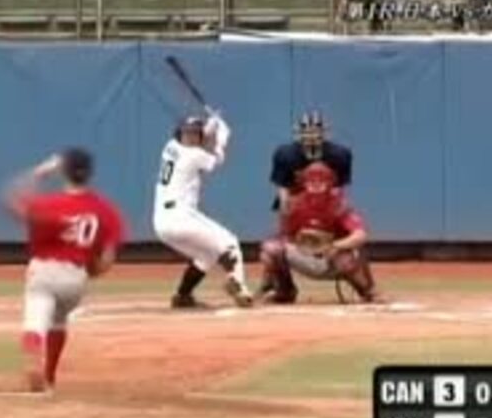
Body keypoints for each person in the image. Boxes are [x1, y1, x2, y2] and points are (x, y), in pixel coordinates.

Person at [5, 147, 127, 394]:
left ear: (64, 172)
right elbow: (107, 258)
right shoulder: (105, 209)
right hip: (76, 277)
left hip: (45, 271)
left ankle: (34, 360)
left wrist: (40, 172)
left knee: (35, 320)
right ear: (89, 173)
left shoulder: (50, 204)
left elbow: (13, 200)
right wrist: (90, 273)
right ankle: (49, 376)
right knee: (58, 322)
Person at [153, 112, 254, 309]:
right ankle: (239, 286)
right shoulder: (195, 156)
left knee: (206, 255)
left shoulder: (170, 147)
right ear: (180, 133)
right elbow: (216, 159)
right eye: (187, 133)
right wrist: (222, 137)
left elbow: (200, 141)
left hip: (162, 223)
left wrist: (211, 124)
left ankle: (183, 296)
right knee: (230, 243)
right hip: (180, 216)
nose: (191, 137)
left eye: (194, 133)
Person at [257, 161, 383, 304]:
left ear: (330, 183)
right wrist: (304, 245)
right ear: (304, 183)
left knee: (348, 256)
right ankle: (284, 291)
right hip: (304, 255)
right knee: (270, 249)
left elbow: (360, 235)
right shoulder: (294, 205)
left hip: (333, 260)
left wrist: (335, 245)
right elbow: (283, 237)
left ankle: (367, 291)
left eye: (321, 180)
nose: (316, 185)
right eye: (312, 180)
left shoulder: (339, 205)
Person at [270, 110, 353, 213]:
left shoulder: (339, 155)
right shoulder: (286, 155)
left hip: (326, 197)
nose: (312, 137)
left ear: (325, 132)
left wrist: (339, 204)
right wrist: (285, 206)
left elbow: (339, 188)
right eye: (307, 132)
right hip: (296, 196)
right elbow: (283, 187)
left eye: (315, 132)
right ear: (299, 133)